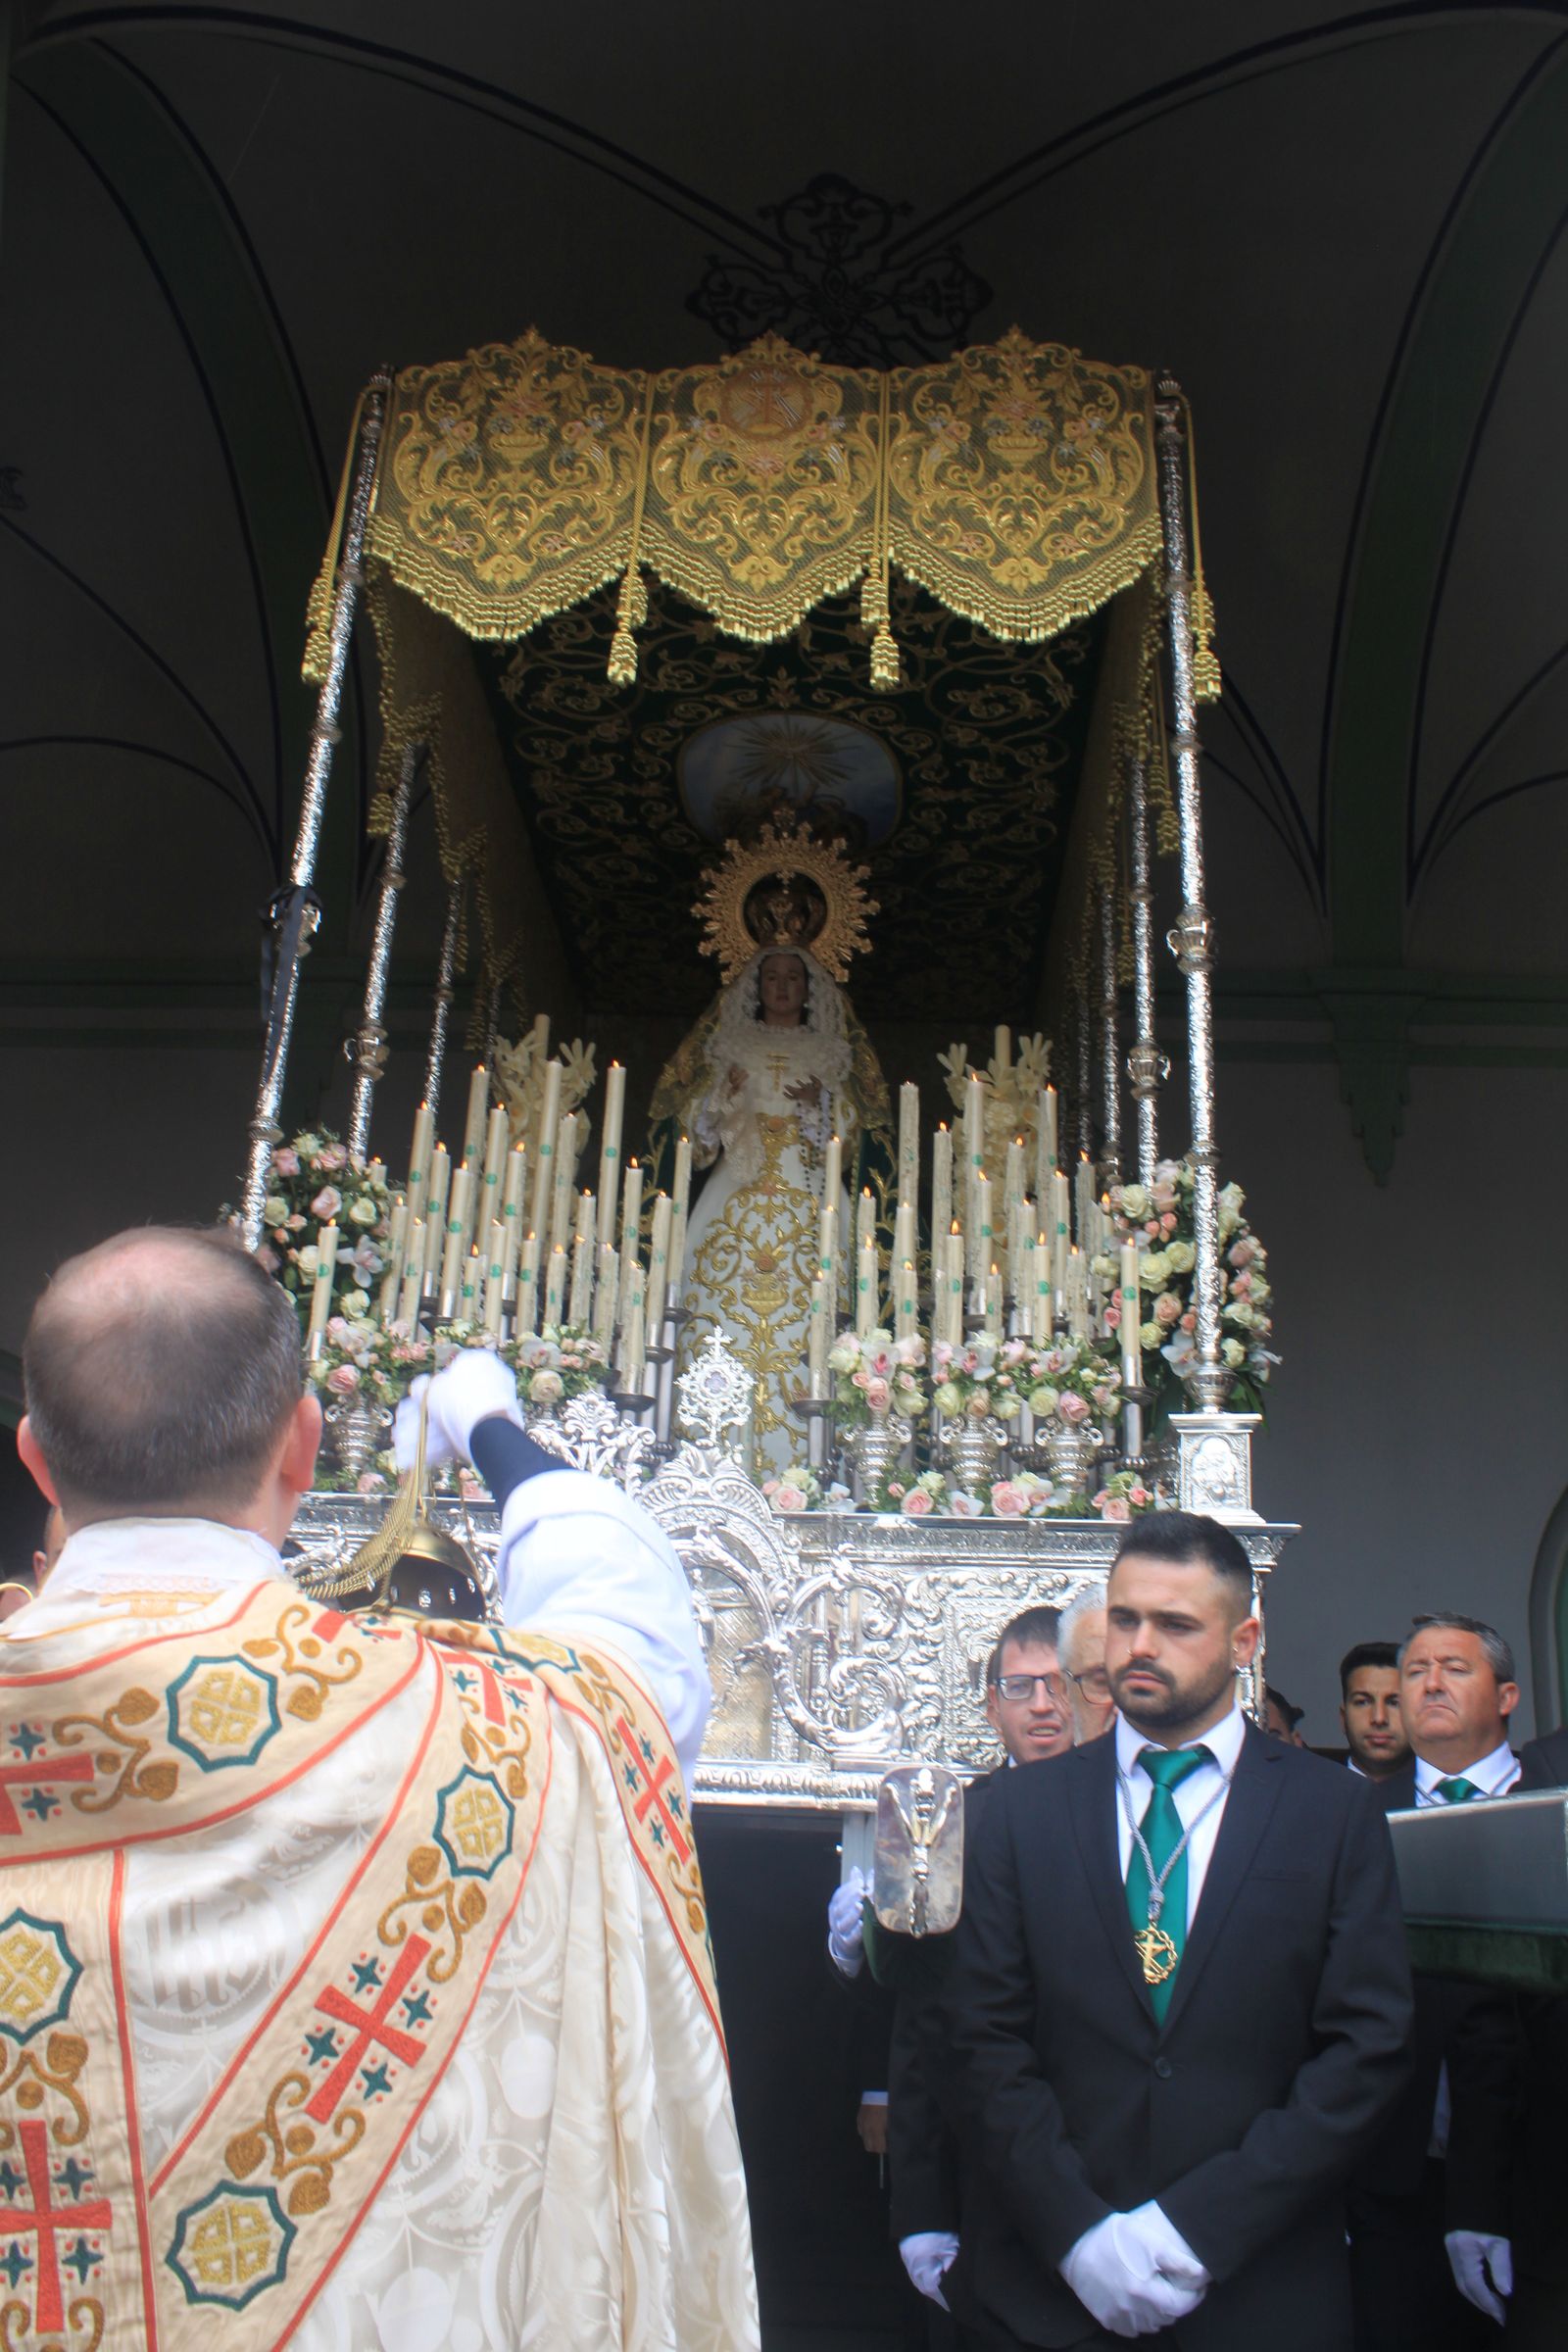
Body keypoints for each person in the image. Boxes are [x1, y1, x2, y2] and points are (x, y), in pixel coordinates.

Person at [11, 1226, 758, 2348]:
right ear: (303, 1449)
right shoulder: (505, 1732)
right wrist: (489, 1430)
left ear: (35, 1459)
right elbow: (631, 1624)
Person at [940, 1509, 1412, 2348]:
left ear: (1243, 1638)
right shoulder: (1014, 1815)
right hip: (1047, 2296)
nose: (1139, 1646)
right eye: (1124, 1619)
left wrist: (1197, 2228)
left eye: (1175, 1624)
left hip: (1259, 2286)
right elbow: (984, 2041)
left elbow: (1364, 2051)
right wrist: (1081, 2237)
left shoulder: (1332, 1812)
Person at [890, 1606, 1074, 2334]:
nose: (1042, 1706)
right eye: (1020, 1687)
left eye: (1059, 1685)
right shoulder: (952, 1824)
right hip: (986, 2162)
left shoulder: (1143, 1817)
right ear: (990, 1705)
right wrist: (920, 2208)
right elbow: (922, 2022)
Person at [649, 935, 888, 1477]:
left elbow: (849, 1140)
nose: (782, 988)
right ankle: (711, 1455)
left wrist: (818, 1108)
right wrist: (722, 1100)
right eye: (773, 977)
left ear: (809, 988)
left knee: (810, 1320)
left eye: (793, 978)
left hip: (810, 1198)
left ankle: (810, 1465)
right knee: (718, 1322)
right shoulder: (730, 1044)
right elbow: (700, 1139)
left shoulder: (829, 1051)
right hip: (734, 1195)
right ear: (757, 987)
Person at [1348, 1615, 1522, 2351]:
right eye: (1415, 1670)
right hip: (1394, 2181)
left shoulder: (1556, 1798)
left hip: (1542, 2173)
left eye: (1454, 1667)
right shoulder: (1352, 1821)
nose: (1429, 1684)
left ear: (1507, 1695)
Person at [1339, 1640, 1410, 1781]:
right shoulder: (1313, 1794)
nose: (1379, 1718)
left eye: (1395, 1703)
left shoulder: (1441, 1797)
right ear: (1343, 1717)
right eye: (1363, 1702)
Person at [1058, 1584, 1115, 1745]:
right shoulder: (1042, 1771)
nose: (1123, 1707)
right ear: (1064, 1689)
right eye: (1102, 1683)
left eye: (1138, 1682)